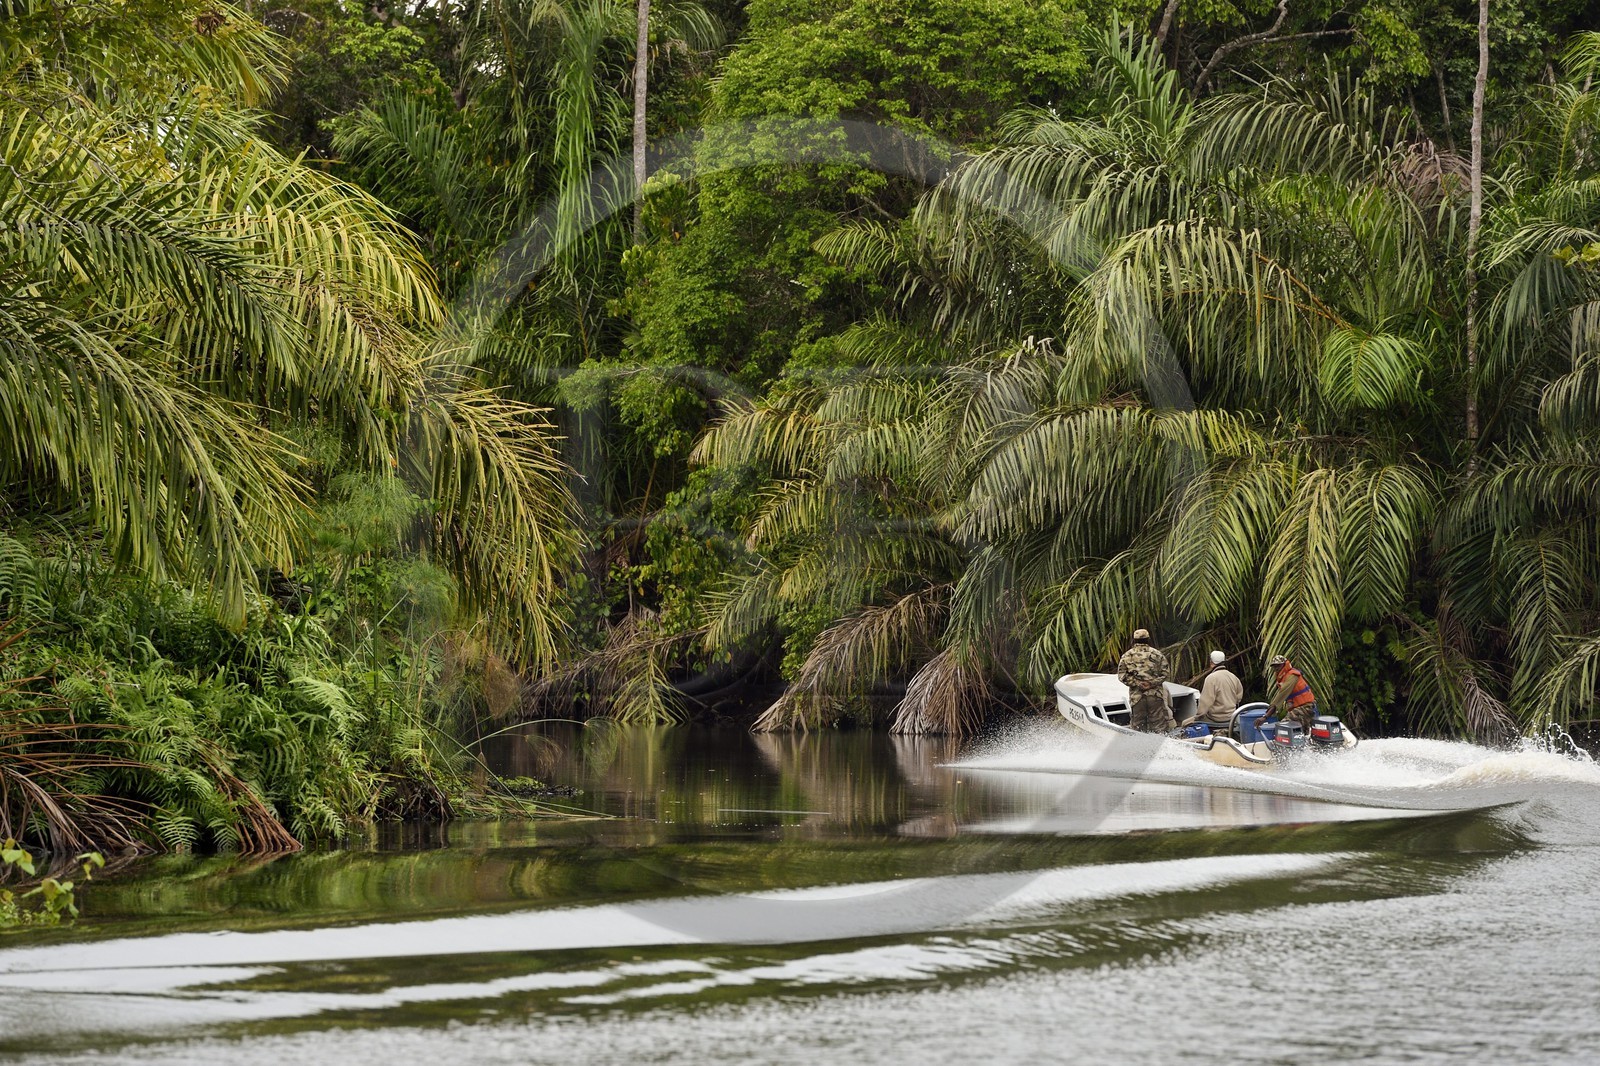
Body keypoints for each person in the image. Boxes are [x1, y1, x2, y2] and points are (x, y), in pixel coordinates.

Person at [1117, 628, 1174, 733]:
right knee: (1159, 727)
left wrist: (1137, 683)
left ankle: (1140, 748)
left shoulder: (1127, 656)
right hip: (1155, 695)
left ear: (1134, 640)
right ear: (1148, 639)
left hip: (1137, 697)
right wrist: (1151, 684)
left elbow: (1122, 676)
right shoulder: (1157, 654)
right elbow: (1165, 674)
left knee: (1138, 728)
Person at [1189, 650, 1243, 730]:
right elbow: (1238, 698)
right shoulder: (1233, 677)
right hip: (1232, 716)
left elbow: (1205, 703)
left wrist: (1197, 717)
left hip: (1216, 718)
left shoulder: (1211, 678)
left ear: (1211, 662)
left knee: (1185, 723)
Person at [1267, 655, 1319, 730]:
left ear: (1284, 665)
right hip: (1298, 709)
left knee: (1283, 727)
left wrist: (1266, 716)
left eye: (1278, 665)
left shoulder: (1292, 676)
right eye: (1274, 666)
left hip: (1307, 707)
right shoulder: (1283, 678)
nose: (1276, 668)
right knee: (1301, 733)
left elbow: (1281, 695)